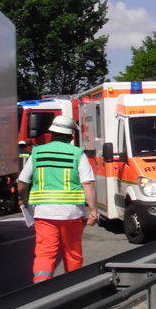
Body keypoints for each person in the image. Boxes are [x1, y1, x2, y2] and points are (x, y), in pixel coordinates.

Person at [17, 116, 98, 283]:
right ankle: (72, 287)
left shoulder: (37, 153)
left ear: (52, 133)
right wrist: (93, 210)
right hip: (72, 214)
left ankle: (41, 287)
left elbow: (22, 182)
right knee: (72, 253)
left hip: (44, 213)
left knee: (45, 253)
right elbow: (87, 183)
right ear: (70, 136)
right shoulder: (77, 154)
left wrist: (23, 199)